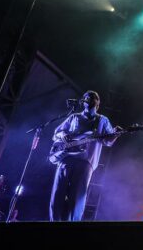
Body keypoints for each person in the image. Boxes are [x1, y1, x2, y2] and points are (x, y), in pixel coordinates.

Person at [49, 91, 122, 221]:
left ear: (98, 103)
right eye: (87, 98)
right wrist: (63, 135)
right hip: (65, 159)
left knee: (77, 199)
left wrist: (115, 134)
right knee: (57, 196)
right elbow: (56, 133)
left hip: (85, 162)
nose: (89, 100)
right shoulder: (74, 117)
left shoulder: (102, 120)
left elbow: (107, 141)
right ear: (83, 101)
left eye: (93, 99)